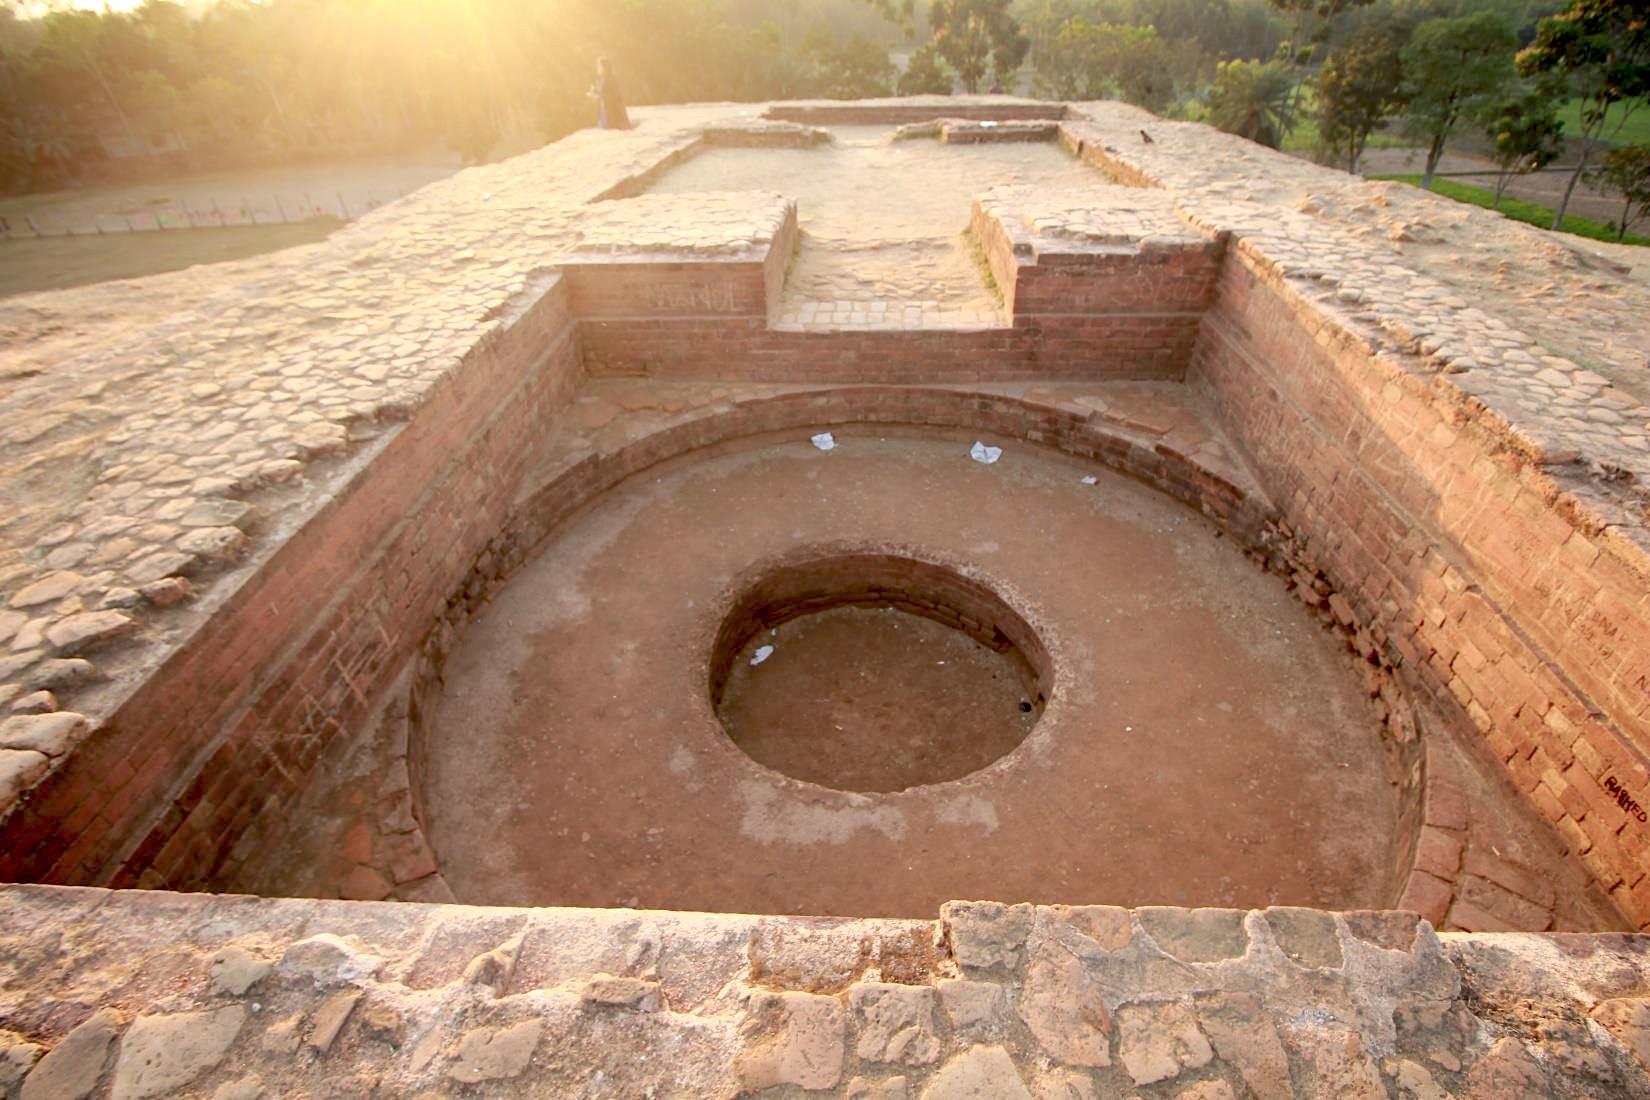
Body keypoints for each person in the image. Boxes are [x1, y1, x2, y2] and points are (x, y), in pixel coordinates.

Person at [590, 58, 631, 131]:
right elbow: (597, 91)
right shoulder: (599, 79)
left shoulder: (612, 79)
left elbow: (615, 95)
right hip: (603, 113)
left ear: (604, 68)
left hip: (613, 113)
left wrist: (600, 95)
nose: (597, 68)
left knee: (612, 131)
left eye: (599, 66)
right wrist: (593, 92)